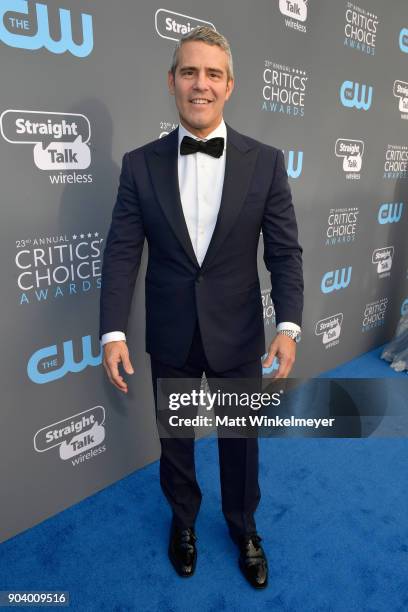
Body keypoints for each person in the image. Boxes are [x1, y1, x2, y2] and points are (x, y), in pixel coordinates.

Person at [99, 26, 304, 590]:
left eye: (213, 74)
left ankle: (244, 528)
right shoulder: (139, 165)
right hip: (172, 331)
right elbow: (121, 253)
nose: (201, 85)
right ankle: (183, 522)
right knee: (177, 442)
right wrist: (111, 331)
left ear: (230, 85)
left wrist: (288, 324)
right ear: (171, 81)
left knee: (242, 443)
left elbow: (284, 252)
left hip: (238, 331)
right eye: (189, 72)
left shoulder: (265, 163)